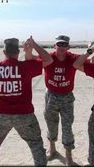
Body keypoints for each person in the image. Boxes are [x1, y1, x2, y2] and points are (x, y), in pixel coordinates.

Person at [0, 36, 53, 166]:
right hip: (25, 115)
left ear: (4, 52)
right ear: (18, 53)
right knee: (36, 146)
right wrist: (33, 45)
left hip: (2, 116)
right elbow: (48, 59)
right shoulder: (26, 66)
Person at [31, 35, 80, 165]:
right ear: (55, 46)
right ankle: (52, 149)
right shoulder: (49, 57)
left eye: (65, 44)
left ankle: (68, 155)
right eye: (59, 44)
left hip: (67, 97)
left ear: (68, 47)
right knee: (51, 123)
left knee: (67, 126)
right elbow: (32, 59)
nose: (62, 47)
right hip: (51, 95)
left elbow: (89, 59)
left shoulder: (72, 58)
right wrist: (30, 48)